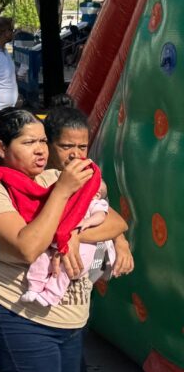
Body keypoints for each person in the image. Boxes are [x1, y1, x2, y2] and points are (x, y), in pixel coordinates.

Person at [0, 108, 128, 372]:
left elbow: (116, 223)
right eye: (29, 142)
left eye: (42, 141)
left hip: (72, 321)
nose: (40, 150)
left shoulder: (51, 177)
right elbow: (28, 247)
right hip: (20, 319)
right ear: (1, 148)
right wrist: (63, 192)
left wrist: (73, 234)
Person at [44, 107, 134, 279]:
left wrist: (120, 241)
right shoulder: (40, 179)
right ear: (47, 144)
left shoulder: (88, 178)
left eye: (82, 147)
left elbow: (114, 220)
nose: (75, 154)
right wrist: (69, 236)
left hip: (83, 276)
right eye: (66, 146)